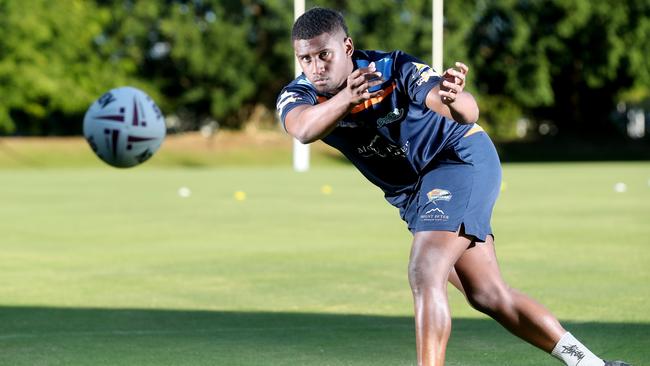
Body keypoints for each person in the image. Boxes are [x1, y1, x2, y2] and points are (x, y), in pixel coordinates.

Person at [276, 7, 631, 366]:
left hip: (457, 159)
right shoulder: (298, 95)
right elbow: (303, 129)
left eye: (324, 55)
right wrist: (345, 100)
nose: (315, 67)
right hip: (413, 195)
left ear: (347, 47)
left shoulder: (393, 68)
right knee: (488, 294)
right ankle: (591, 363)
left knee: (425, 269)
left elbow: (464, 110)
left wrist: (453, 98)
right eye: (305, 58)